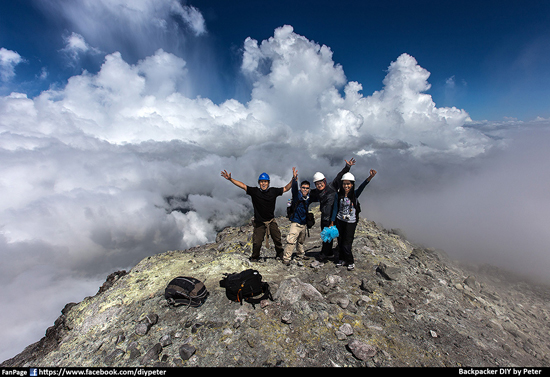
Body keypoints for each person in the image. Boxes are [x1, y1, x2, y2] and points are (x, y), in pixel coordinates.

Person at [221, 169, 294, 262]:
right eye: (262, 182)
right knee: (257, 242)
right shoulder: (254, 191)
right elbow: (243, 186)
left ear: (268, 183)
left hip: (271, 221)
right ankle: (255, 257)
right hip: (259, 222)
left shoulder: (273, 191)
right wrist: (231, 179)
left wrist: (293, 179)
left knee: (277, 239)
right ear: (259, 183)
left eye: (265, 182)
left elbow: (285, 188)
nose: (263, 184)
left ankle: (280, 254)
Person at [309, 158, 356, 261]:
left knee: (337, 236)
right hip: (325, 217)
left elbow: (339, 177)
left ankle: (336, 253)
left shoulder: (332, 186)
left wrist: (347, 167)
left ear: (324, 181)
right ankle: (328, 252)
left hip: (335, 217)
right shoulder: (316, 192)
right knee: (326, 236)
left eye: (320, 182)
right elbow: (305, 193)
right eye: (317, 183)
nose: (319, 184)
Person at [330, 169, 377, 270]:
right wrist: (332, 222)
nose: (346, 186)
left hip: (351, 222)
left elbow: (362, 186)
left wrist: (370, 177)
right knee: (340, 240)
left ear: (352, 185)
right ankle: (342, 259)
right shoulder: (338, 195)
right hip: (340, 220)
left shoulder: (355, 194)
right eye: (344, 184)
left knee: (347, 242)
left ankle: (350, 261)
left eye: (348, 184)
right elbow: (335, 209)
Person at [282, 168, 312, 266]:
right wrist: (294, 179)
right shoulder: (297, 196)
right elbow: (294, 189)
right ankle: (286, 258)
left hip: (303, 223)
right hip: (296, 222)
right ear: (301, 188)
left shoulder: (308, 198)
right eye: (303, 187)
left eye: (307, 188)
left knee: (301, 241)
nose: (305, 189)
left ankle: (300, 254)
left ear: (309, 189)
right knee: (291, 241)